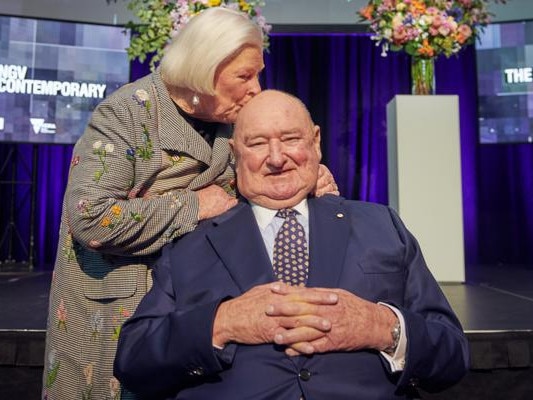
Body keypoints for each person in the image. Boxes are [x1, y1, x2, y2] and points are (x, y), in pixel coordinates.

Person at [42, 8, 338, 400]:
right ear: (204, 68)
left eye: (258, 73)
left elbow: (265, 167)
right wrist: (195, 205)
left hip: (192, 299)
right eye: (244, 76)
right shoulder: (126, 114)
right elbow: (91, 217)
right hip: (116, 303)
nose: (256, 88)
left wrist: (310, 175)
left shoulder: (232, 119)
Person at [114, 90, 470, 400]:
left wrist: (381, 327)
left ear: (315, 142)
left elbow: (452, 355)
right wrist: (220, 323)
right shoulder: (192, 242)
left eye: (290, 139)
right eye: (257, 143)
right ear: (236, 154)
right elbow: (134, 361)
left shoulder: (381, 225)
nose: (276, 158)